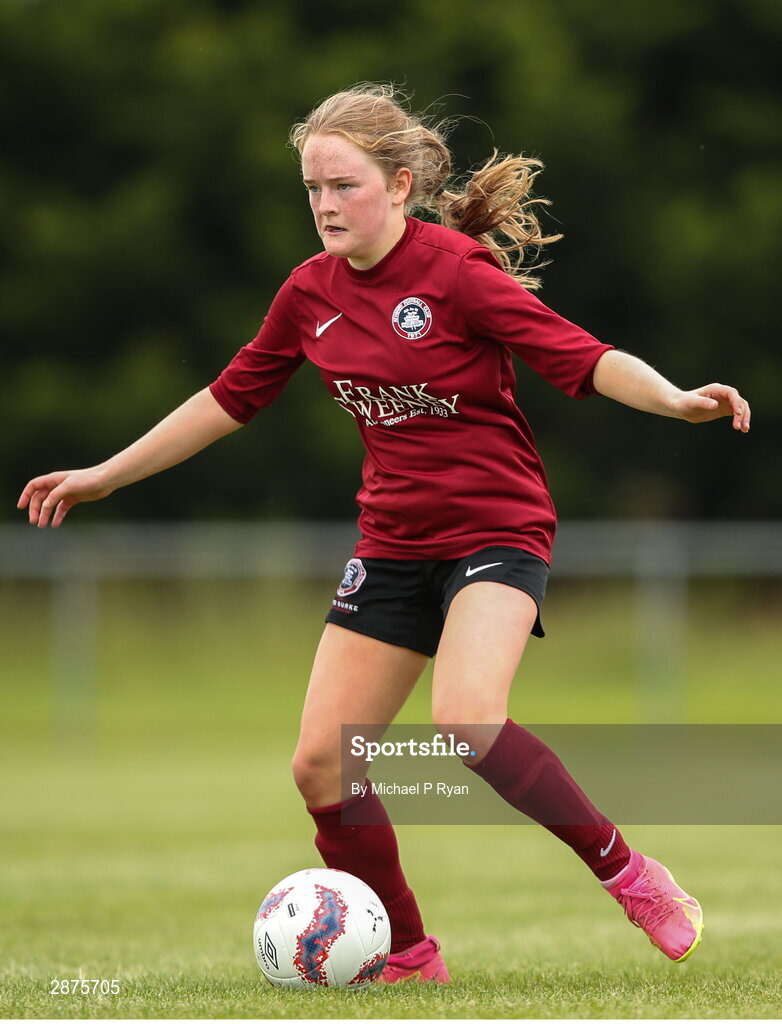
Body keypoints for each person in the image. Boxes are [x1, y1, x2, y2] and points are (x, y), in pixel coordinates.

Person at [18, 83, 750, 983]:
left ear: (400, 186)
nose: (325, 205)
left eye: (344, 186)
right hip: (393, 545)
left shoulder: (455, 273)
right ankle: (408, 955)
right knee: (322, 765)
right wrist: (102, 474)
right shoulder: (307, 294)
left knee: (466, 719)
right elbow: (226, 399)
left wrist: (676, 398)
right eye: (313, 189)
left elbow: (584, 356)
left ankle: (630, 876)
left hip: (497, 528)